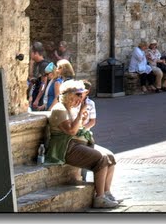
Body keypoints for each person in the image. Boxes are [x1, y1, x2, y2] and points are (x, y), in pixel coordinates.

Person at [45, 81, 120, 209]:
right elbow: (71, 131)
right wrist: (80, 114)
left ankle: (106, 193)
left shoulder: (71, 108)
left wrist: (81, 117)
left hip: (77, 143)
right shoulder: (59, 109)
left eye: (82, 95)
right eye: (78, 95)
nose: (81, 98)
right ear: (68, 95)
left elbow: (79, 128)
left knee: (110, 157)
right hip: (65, 147)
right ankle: (99, 197)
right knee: (100, 158)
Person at [28, 41, 53, 106]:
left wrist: (37, 100)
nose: (30, 55)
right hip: (34, 94)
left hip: (40, 99)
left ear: (36, 53)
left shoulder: (44, 65)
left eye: (31, 53)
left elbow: (43, 84)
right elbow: (31, 76)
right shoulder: (36, 64)